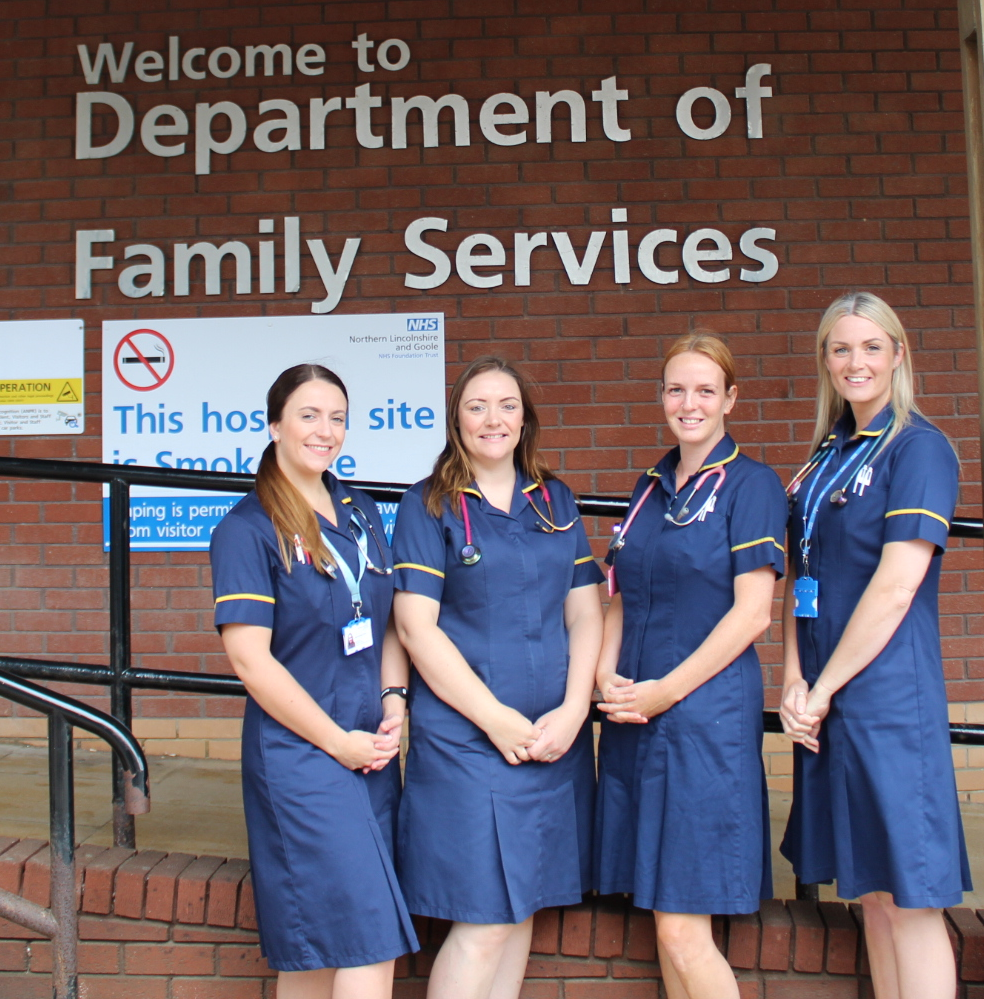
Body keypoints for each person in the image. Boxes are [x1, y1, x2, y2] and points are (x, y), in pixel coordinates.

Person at [392, 356, 604, 999]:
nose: (493, 418)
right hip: (468, 744)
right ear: (456, 419)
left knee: (521, 915)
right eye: (477, 406)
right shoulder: (427, 506)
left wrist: (574, 711)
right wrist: (494, 718)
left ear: (524, 418)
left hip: (552, 740)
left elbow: (586, 612)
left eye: (507, 404)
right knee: (484, 920)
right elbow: (415, 628)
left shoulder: (554, 499)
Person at [779, 292, 970, 999]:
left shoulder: (918, 448)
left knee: (911, 898)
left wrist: (822, 688)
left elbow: (895, 585)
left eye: (869, 347)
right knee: (873, 897)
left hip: (887, 700)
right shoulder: (829, 451)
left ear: (898, 354)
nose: (855, 361)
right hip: (830, 700)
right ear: (826, 362)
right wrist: (793, 681)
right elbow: (803, 578)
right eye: (840, 348)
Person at [209, 364, 418, 999]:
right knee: (367, 938)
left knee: (315, 948)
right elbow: (252, 662)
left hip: (370, 749)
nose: (324, 431)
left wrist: (393, 697)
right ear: (274, 424)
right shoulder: (245, 530)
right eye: (308, 415)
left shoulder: (359, 510)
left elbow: (381, 619)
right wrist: (337, 741)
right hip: (303, 757)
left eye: (337, 417)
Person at [595, 333, 786, 999]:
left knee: (681, 925)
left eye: (706, 389)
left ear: (731, 397)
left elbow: (753, 613)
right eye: (677, 388)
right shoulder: (649, 487)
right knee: (665, 918)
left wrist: (663, 693)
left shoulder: (752, 484)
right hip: (636, 718)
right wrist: (603, 674)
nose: (689, 402)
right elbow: (617, 592)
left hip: (703, 721)